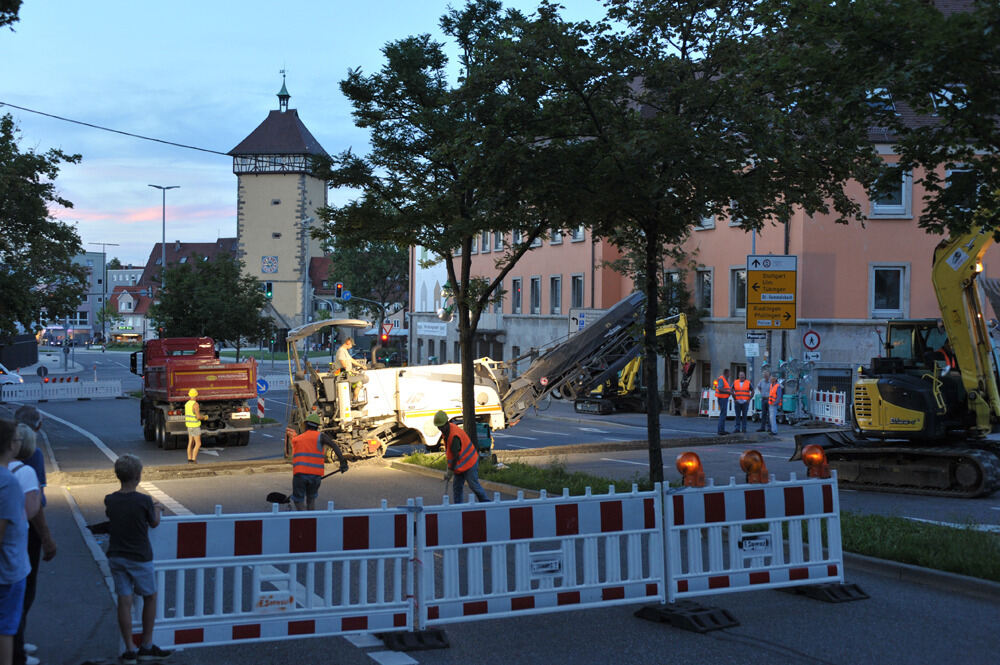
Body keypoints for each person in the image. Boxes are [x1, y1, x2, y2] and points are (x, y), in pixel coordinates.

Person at [104, 454, 171, 665]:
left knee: (124, 601)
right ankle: (147, 645)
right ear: (138, 476)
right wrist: (158, 509)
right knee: (149, 597)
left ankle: (129, 649)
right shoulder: (143, 500)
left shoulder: (110, 499)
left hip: (116, 556)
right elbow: (154, 523)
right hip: (139, 557)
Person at [11, 408, 54, 665]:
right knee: (24, 590)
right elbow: (35, 507)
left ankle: (16, 639)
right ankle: (17, 650)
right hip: (26, 534)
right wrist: (48, 538)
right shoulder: (32, 456)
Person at [0, 419, 30, 665]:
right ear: (11, 445)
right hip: (8, 569)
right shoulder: (7, 482)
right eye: (18, 439)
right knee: (6, 628)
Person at [290, 414, 348, 511]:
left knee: (298, 500)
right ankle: (311, 520)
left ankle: (304, 519)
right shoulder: (321, 437)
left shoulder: (298, 439)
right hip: (315, 476)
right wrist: (343, 462)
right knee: (311, 500)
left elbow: (293, 447)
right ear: (317, 426)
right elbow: (334, 445)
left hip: (300, 475)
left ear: (306, 425)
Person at [434, 411, 488, 504]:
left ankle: (486, 503)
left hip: (470, 463)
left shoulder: (454, 435)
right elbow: (451, 454)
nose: (440, 429)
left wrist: (450, 470)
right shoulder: (447, 432)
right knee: (457, 487)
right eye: (439, 427)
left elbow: (455, 456)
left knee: (473, 485)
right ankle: (458, 507)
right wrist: (450, 468)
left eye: (441, 426)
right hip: (460, 465)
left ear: (446, 423)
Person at [184, 388, 206, 464]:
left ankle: (189, 459)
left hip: (189, 426)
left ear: (189, 395)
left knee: (190, 442)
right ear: (196, 395)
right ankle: (194, 459)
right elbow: (198, 417)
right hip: (195, 426)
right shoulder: (195, 404)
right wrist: (204, 417)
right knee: (198, 443)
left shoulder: (187, 404)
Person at [714, 368, 732, 435]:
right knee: (723, 414)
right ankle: (721, 430)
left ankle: (721, 430)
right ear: (726, 373)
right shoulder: (722, 379)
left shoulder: (725, 379)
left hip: (724, 398)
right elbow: (720, 389)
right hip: (722, 398)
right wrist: (728, 392)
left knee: (723, 414)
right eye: (729, 373)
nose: (730, 374)